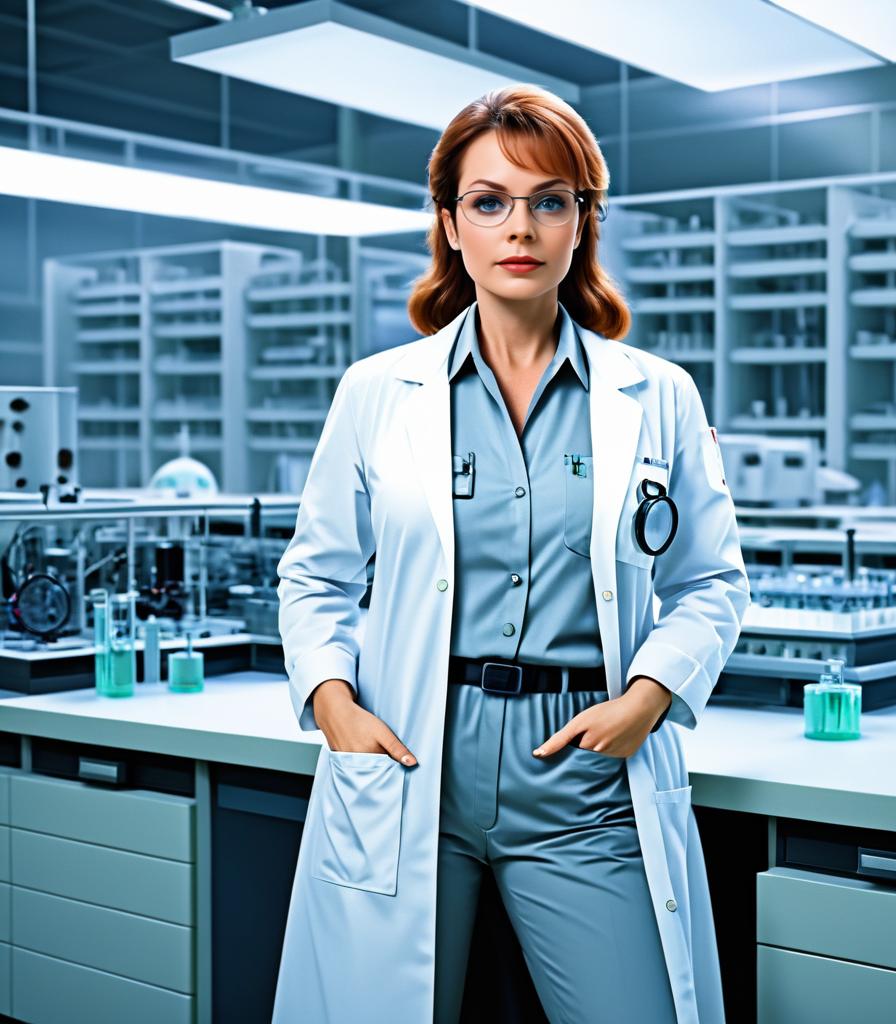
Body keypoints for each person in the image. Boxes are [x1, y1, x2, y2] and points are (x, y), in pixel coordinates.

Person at [272, 84, 749, 1024]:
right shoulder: (377, 393)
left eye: (549, 201)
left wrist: (647, 699)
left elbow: (711, 581)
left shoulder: (656, 395)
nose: (518, 227)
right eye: (488, 201)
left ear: (583, 223)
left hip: (585, 771)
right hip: (413, 757)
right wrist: (333, 704)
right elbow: (315, 574)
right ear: (450, 224)